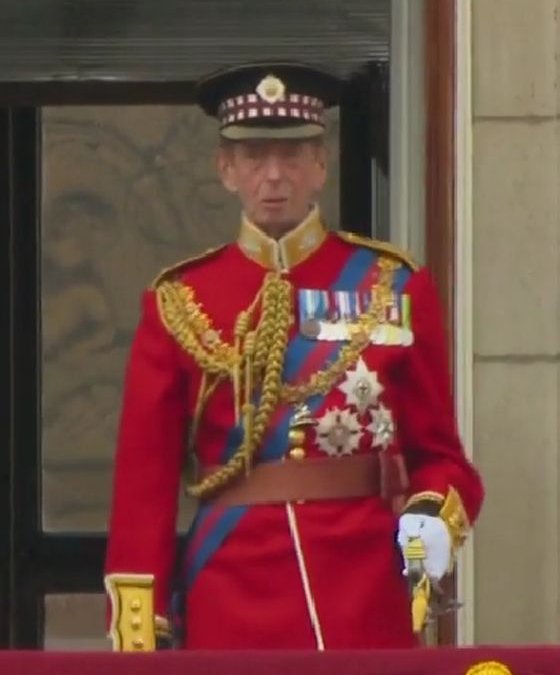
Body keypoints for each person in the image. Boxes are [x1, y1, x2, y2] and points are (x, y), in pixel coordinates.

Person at [102, 62, 484, 651]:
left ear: (321, 166)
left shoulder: (393, 285)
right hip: (230, 586)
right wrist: (139, 629)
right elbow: (142, 489)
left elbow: (440, 456)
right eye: (254, 157)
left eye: (293, 156)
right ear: (225, 169)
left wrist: (433, 516)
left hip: (362, 590)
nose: (273, 176)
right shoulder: (180, 300)